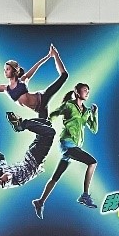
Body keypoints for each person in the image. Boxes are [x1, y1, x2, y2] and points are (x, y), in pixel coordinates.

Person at [34, 82, 99, 216]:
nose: (87, 93)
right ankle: (85, 195)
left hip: (74, 147)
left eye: (88, 91)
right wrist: (46, 124)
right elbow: (55, 113)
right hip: (67, 143)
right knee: (92, 162)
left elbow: (94, 129)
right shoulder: (69, 105)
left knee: (55, 177)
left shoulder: (86, 111)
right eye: (85, 90)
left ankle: (40, 201)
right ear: (77, 92)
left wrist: (95, 114)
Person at [0, 115, 58, 191]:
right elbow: (1, 158)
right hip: (30, 153)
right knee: (47, 125)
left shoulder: (6, 180)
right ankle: (22, 123)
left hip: (36, 158)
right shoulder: (3, 170)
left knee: (50, 133)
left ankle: (22, 125)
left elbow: (8, 176)